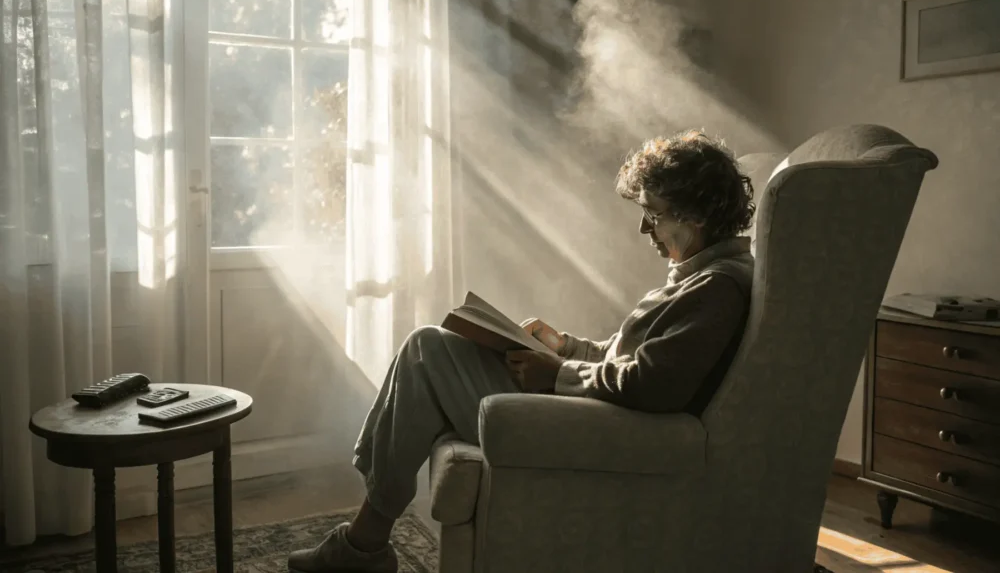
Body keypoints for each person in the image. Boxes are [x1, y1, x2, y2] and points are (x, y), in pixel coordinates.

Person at [288, 131, 757, 573]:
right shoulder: (702, 278)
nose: (642, 227)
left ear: (695, 215)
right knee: (430, 349)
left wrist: (557, 374)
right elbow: (627, 359)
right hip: (595, 406)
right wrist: (564, 346)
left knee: (425, 354)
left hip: (600, 423)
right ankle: (365, 541)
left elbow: (654, 385)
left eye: (653, 214)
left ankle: (363, 544)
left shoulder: (716, 289)